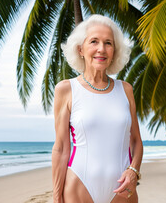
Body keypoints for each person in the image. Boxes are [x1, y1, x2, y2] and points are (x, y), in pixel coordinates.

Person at [51, 14, 143, 203]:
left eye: (108, 43)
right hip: (79, 186)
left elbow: (136, 141)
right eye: (94, 41)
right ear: (80, 49)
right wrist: (56, 195)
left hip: (123, 190)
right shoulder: (66, 89)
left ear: (114, 51)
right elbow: (60, 149)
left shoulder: (126, 90)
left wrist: (134, 171)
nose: (101, 49)